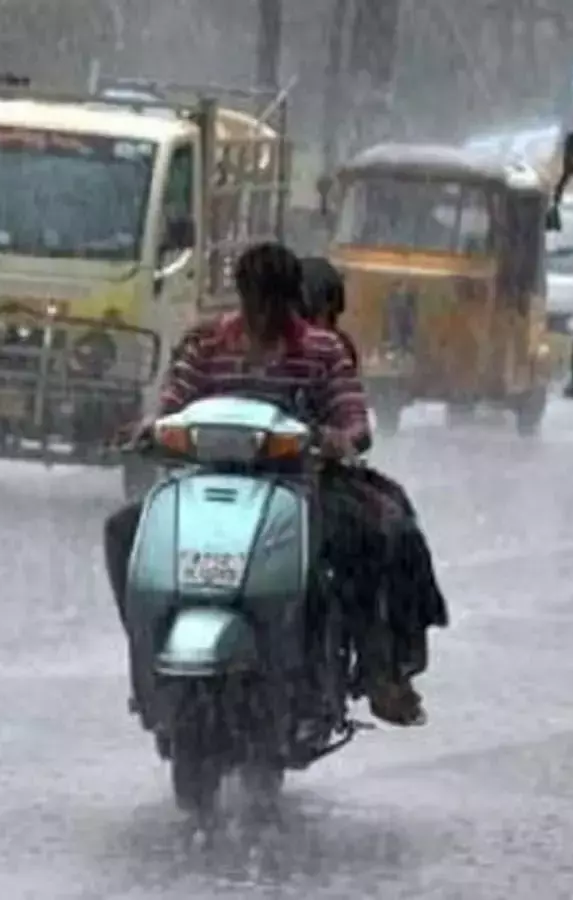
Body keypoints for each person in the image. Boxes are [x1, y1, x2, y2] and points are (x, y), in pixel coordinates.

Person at [103, 242, 436, 726]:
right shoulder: (209, 345)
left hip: (298, 488)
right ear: (241, 295)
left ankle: (377, 670)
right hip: (206, 484)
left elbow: (352, 417)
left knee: (367, 540)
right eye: (253, 300)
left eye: (272, 302)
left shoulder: (322, 352)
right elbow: (174, 402)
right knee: (122, 532)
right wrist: (148, 427)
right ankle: (147, 657)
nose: (261, 315)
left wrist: (343, 438)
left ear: (289, 299)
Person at [299, 256, 448, 678]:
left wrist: (336, 439)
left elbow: (352, 418)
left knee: (388, 526)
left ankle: (386, 663)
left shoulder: (332, 352)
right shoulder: (236, 346)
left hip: (313, 478)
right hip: (243, 478)